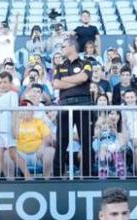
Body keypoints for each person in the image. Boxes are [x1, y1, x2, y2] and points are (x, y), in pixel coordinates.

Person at [53, 37, 94, 177]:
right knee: (61, 142)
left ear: (71, 46)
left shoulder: (86, 63)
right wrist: (76, 81)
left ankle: (87, 176)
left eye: (64, 46)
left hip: (83, 105)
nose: (62, 49)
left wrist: (66, 80)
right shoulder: (59, 66)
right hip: (65, 105)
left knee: (86, 142)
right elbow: (56, 84)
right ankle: (58, 176)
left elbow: (84, 78)